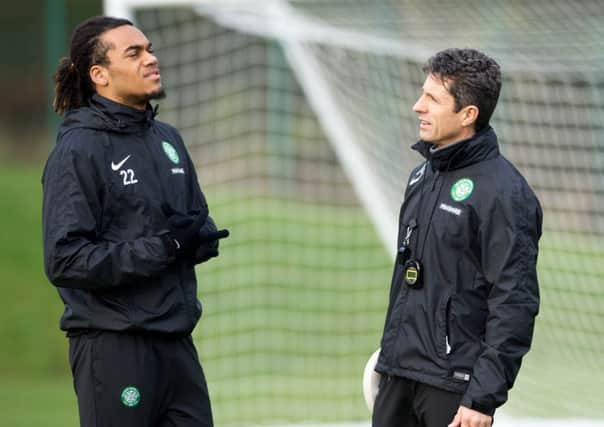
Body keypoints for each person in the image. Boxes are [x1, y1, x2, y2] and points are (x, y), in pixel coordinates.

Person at [42, 16, 228, 427]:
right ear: (100, 74)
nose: (151, 58)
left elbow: (190, 221)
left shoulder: (168, 139)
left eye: (150, 49)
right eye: (135, 52)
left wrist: (200, 239)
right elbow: (65, 260)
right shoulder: (79, 150)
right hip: (115, 347)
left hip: (178, 346)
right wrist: (164, 248)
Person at [372, 48, 542, 427]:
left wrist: (482, 398)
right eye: (422, 94)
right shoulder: (420, 177)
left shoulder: (504, 194)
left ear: (468, 115)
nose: (418, 106)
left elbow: (514, 301)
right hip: (399, 376)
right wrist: (389, 362)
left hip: (454, 388)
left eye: (432, 99)